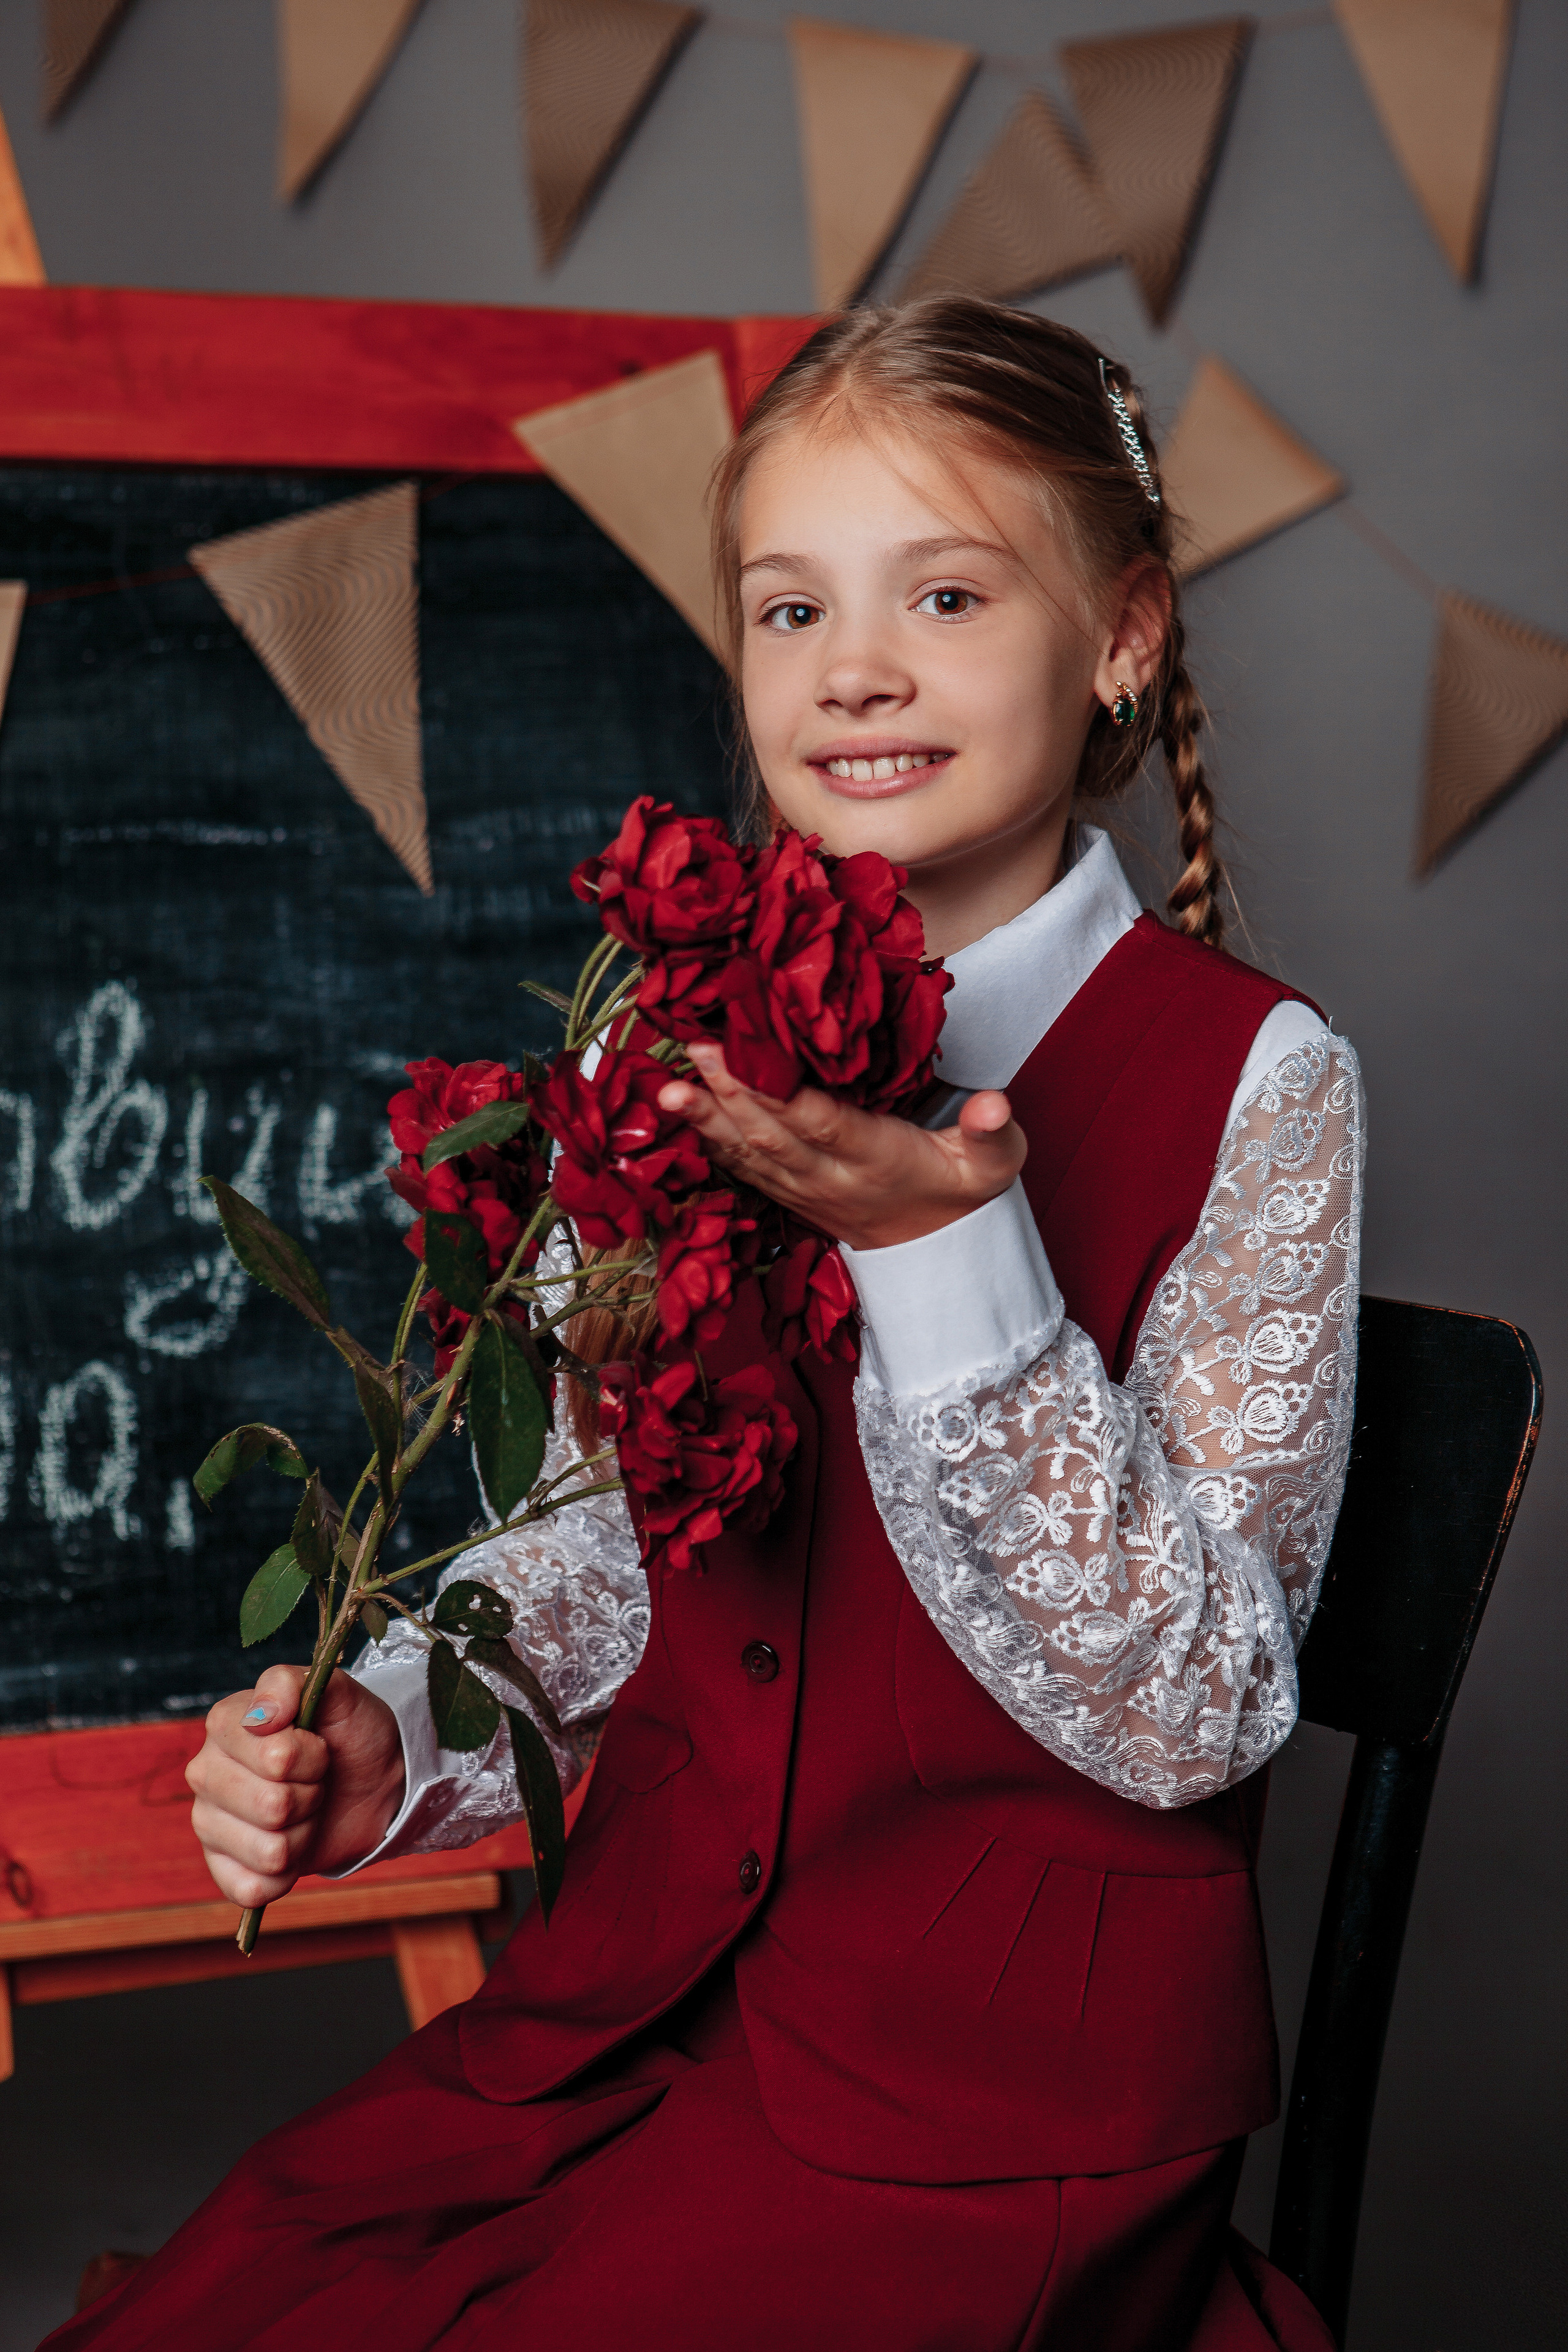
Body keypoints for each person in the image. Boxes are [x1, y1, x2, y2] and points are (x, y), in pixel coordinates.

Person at [50, 300, 1362, 2351]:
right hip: (639, 2011)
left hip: (995, 2105)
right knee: (246, 2299)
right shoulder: (666, 1037)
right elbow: (604, 1560)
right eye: (785, 609)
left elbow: (1195, 1708)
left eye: (944, 590)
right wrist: (397, 1741)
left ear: (1121, 635)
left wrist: (944, 1260)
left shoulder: (1260, 1079)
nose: (852, 669)